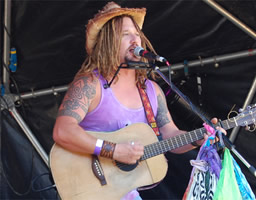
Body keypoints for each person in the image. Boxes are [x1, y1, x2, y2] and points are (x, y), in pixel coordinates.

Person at [53, 2, 225, 199]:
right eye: (126, 34)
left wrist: (198, 138)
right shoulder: (90, 84)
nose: (135, 39)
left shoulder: (151, 90)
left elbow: (170, 135)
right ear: (108, 41)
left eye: (137, 33)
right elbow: (63, 130)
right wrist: (113, 151)